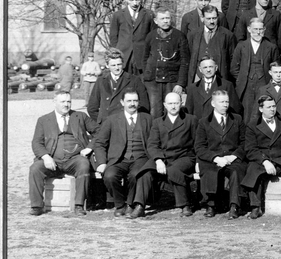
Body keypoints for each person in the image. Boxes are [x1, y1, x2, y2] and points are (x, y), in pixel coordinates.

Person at [87, 88, 153, 217]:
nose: (132, 104)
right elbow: (100, 143)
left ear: (139, 102)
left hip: (140, 158)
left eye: (135, 100)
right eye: (129, 101)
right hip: (118, 159)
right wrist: (101, 162)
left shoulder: (148, 119)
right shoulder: (112, 120)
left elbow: (154, 141)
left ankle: (130, 204)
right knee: (110, 176)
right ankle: (120, 205)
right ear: (122, 102)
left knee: (135, 175)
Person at [29, 90, 92, 216]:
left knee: (84, 164)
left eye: (69, 101)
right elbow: (36, 142)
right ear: (54, 102)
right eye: (62, 101)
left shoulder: (80, 116)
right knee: (35, 168)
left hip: (74, 159)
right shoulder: (44, 120)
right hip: (53, 161)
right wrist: (46, 157)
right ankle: (36, 206)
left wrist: (89, 147)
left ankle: (79, 205)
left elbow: (100, 133)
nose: (66, 105)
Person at [195, 88, 247, 218]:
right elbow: (200, 147)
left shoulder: (237, 119)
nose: (225, 105)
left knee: (236, 172)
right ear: (213, 103)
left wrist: (234, 156)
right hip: (212, 159)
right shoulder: (204, 122)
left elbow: (244, 142)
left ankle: (234, 206)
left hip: (232, 158)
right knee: (210, 171)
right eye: (221, 102)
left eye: (227, 101)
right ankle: (211, 205)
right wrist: (215, 158)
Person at [145, 91, 198, 217]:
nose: (173, 106)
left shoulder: (191, 120)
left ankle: (185, 204)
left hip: (184, 157)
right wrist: (158, 160)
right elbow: (152, 144)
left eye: (176, 103)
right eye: (170, 103)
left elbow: (198, 143)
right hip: (164, 157)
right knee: (145, 171)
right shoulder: (158, 122)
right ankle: (138, 204)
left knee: (174, 170)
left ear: (181, 103)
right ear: (165, 105)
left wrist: (198, 161)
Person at [142, 6, 190, 119]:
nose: (165, 21)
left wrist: (180, 84)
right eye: (162, 18)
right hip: (153, 82)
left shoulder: (179, 36)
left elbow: (185, 61)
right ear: (155, 21)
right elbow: (145, 58)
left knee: (172, 111)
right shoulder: (150, 36)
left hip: (172, 82)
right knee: (154, 112)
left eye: (167, 18)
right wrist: (147, 75)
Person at [87, 51, 149, 125]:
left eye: (119, 64)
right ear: (107, 65)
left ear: (123, 64)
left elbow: (144, 105)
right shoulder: (101, 81)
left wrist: (132, 122)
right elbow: (92, 108)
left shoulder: (134, 80)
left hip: (126, 125)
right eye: (113, 65)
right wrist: (102, 122)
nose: (117, 68)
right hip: (107, 125)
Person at [108, 0, 152, 76]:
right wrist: (116, 54)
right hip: (124, 55)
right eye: (131, 0)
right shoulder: (118, 15)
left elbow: (152, 37)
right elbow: (113, 36)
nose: (135, 3)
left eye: (137, 0)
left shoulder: (148, 14)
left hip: (141, 56)